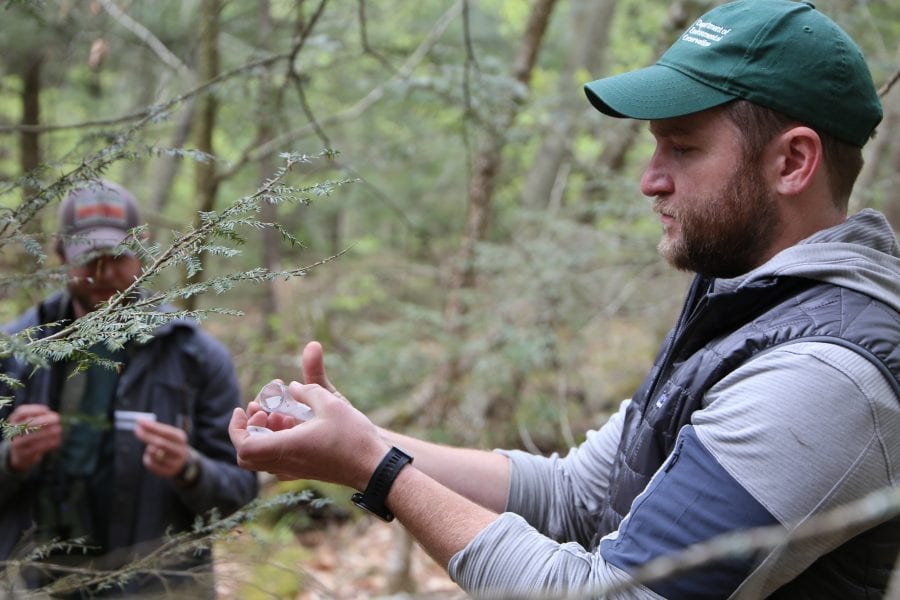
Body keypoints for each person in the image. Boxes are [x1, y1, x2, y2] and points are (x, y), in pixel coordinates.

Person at [229, 0, 900, 598]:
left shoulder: (825, 375)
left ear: (792, 163)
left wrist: (377, 469)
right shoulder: (745, 302)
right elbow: (578, 495)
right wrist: (356, 437)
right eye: (651, 147)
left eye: (683, 148)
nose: (648, 180)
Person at [0, 179, 259, 597]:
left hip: (160, 586)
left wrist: (189, 469)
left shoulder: (196, 356)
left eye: (117, 257)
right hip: (34, 584)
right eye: (89, 259)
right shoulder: (14, 351)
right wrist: (11, 458)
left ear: (142, 253)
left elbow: (241, 494)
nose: (104, 274)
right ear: (62, 255)